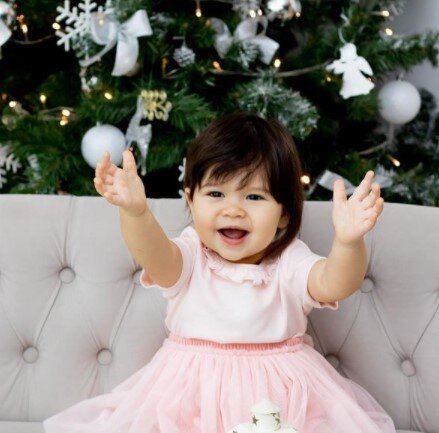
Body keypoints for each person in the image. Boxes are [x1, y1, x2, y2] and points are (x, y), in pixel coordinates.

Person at [43, 112, 395, 433]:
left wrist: (348, 242)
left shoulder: (289, 261)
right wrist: (137, 214)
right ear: (191, 199)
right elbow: (156, 258)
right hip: (190, 394)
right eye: (215, 193)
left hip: (279, 399)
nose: (233, 210)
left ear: (283, 215)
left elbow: (333, 284)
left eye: (254, 197)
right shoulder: (191, 254)